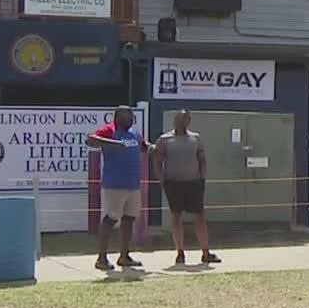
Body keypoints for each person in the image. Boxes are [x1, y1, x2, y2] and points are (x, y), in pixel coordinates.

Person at [153, 109, 221, 267]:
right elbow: (157, 161)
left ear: (189, 121)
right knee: (176, 217)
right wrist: (162, 180)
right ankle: (180, 252)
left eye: (185, 119)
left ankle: (205, 252)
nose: (181, 122)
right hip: (173, 183)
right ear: (174, 120)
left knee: (199, 217)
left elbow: (202, 159)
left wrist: (202, 178)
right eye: (179, 118)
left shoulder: (195, 138)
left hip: (193, 183)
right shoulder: (164, 139)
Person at [85, 106, 148, 271]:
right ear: (117, 117)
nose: (130, 119)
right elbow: (89, 139)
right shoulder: (109, 130)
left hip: (133, 185)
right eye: (127, 117)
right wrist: (113, 144)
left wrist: (152, 147)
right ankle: (101, 258)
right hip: (114, 185)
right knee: (110, 220)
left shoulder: (134, 132)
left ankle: (124, 256)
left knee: (129, 219)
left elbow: (143, 146)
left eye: (132, 117)